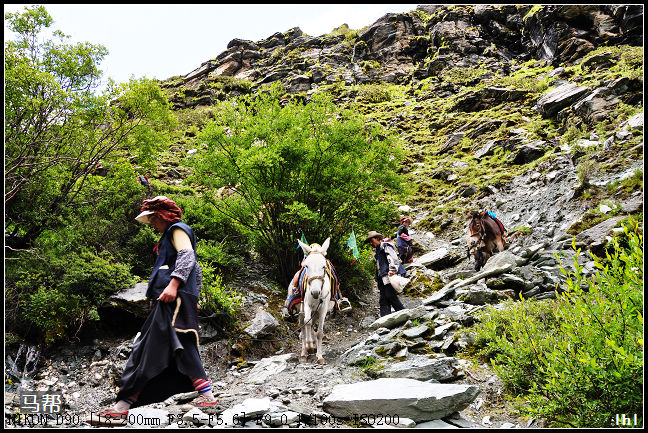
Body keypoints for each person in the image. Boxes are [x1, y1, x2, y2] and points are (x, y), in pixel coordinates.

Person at [91, 196, 217, 425]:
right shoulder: (169, 235)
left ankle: (122, 407)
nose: (152, 224)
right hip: (174, 300)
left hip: (174, 301)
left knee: (150, 348)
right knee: (176, 345)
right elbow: (196, 268)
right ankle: (205, 395)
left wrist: (174, 285)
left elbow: (188, 257)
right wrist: (192, 295)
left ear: (162, 216)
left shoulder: (177, 229)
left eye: (153, 220)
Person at [364, 231, 406, 317]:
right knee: (384, 298)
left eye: (371, 241)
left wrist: (392, 270)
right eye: (369, 242)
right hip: (382, 277)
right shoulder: (378, 250)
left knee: (390, 296)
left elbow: (393, 258)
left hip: (389, 275)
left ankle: (404, 314)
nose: (371, 243)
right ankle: (385, 318)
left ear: (377, 238)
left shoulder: (386, 246)